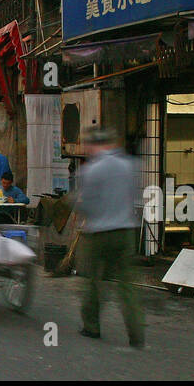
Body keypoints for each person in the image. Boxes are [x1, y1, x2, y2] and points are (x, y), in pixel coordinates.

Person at [76, 126, 144, 347]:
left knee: (94, 282)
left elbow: (86, 204)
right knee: (127, 286)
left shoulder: (91, 170)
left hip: (98, 234)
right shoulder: (130, 165)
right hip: (125, 232)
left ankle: (92, 327)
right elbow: (135, 195)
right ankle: (136, 334)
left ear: (96, 144)